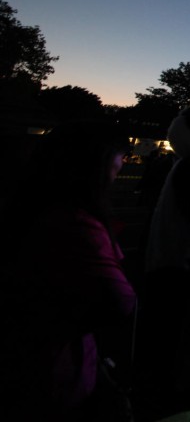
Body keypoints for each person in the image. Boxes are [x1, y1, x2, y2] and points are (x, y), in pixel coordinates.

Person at [1, 121, 137, 421]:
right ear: (95, 163)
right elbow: (118, 300)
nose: (122, 164)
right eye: (120, 157)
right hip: (54, 374)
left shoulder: (29, 207)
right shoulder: (75, 223)